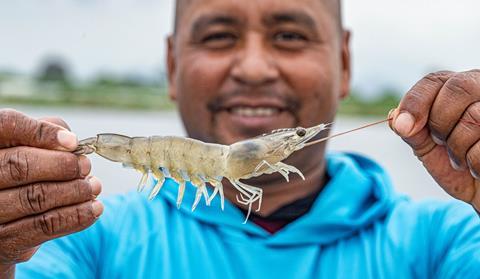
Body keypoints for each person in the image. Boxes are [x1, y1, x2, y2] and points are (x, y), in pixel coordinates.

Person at [1, 0, 479, 278]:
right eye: (218, 37)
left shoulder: (448, 238)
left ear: (345, 64)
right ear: (171, 66)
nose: (253, 68)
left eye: (290, 35)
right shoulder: (82, 236)